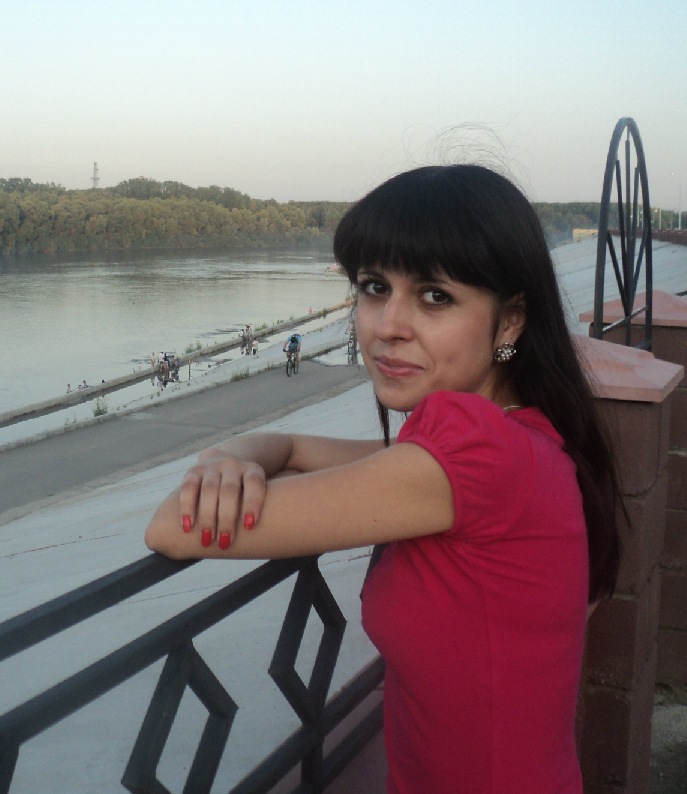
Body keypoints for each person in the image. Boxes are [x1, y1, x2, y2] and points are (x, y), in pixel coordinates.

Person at [145, 164, 623, 793]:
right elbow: (293, 446)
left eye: (434, 296)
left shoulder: (478, 451)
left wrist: (219, 463)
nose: (388, 325)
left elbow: (172, 526)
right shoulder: (518, 437)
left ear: (510, 321)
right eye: (374, 287)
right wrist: (226, 456)